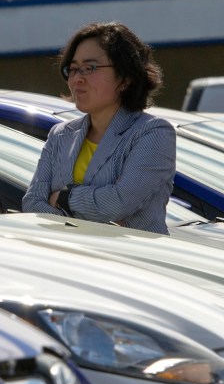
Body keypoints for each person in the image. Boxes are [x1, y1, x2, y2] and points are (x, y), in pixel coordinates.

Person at [23, 22, 176, 235]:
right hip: (71, 258)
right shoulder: (61, 135)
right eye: (73, 69)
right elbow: (32, 203)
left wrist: (63, 198)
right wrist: (77, 225)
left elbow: (119, 203)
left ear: (125, 78)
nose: (77, 78)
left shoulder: (153, 132)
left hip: (134, 260)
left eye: (89, 68)